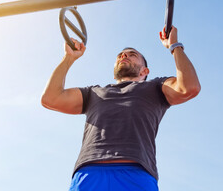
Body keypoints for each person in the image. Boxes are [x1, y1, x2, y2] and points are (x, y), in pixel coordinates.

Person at [41, 26, 201, 191]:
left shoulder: (156, 87)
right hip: (90, 172)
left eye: (132, 55)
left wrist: (174, 46)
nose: (124, 56)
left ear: (144, 71)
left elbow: (189, 87)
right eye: (120, 55)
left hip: (136, 173)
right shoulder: (94, 93)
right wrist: (69, 58)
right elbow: (50, 99)